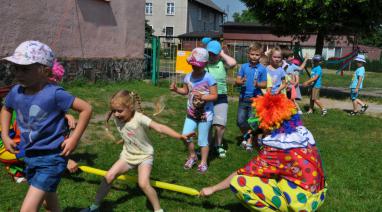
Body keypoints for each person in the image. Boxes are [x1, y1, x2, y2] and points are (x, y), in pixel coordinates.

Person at [1, 40, 92, 212]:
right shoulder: (16, 91)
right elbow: (6, 109)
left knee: (27, 209)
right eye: (16, 68)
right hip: (29, 155)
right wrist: (5, 135)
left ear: (45, 70)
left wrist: (73, 139)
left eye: (25, 68)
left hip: (51, 158)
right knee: (48, 202)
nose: (18, 73)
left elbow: (86, 109)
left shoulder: (55, 93)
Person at [200, 93, 327, 211]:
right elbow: (267, 163)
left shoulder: (276, 149)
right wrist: (259, 138)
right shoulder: (300, 133)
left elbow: (244, 172)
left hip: (303, 201)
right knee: (269, 174)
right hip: (318, 193)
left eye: (261, 120)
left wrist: (213, 189)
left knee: (239, 183)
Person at [82, 90, 194, 212]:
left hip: (144, 157)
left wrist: (180, 136)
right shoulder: (117, 118)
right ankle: (95, 207)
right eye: (114, 111)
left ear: (130, 107)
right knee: (109, 176)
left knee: (143, 184)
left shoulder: (140, 118)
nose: (116, 114)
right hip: (127, 156)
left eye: (120, 111)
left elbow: (159, 127)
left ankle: (158, 210)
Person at [170, 47, 217, 173]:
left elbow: (214, 95)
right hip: (190, 114)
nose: (195, 68)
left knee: (202, 140)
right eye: (193, 65)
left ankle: (203, 162)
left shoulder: (209, 78)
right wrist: (176, 90)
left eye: (198, 66)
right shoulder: (188, 77)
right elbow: (185, 91)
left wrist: (203, 97)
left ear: (206, 64)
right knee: (185, 136)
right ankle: (193, 156)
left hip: (204, 115)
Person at [205, 40, 237, 158]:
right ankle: (206, 146)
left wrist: (222, 54)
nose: (212, 56)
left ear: (219, 53)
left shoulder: (222, 63)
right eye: (210, 53)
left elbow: (233, 63)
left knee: (220, 125)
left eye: (214, 53)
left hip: (221, 97)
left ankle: (218, 145)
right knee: (206, 124)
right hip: (207, 97)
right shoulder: (205, 63)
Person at [235, 43, 267, 152]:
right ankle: (247, 136)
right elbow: (237, 80)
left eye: (257, 55)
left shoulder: (262, 69)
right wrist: (240, 81)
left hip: (255, 100)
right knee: (240, 121)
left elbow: (265, 84)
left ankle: (249, 143)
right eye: (252, 54)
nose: (254, 56)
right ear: (248, 54)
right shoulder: (243, 67)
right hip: (243, 98)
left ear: (260, 56)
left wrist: (258, 84)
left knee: (252, 122)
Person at [282, 50, 308, 114]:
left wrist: (306, 60)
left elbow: (301, 68)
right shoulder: (282, 64)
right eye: (290, 57)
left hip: (290, 86)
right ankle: (290, 111)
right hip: (283, 85)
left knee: (291, 98)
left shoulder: (292, 65)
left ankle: (298, 110)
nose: (292, 58)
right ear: (285, 58)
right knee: (285, 99)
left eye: (292, 56)